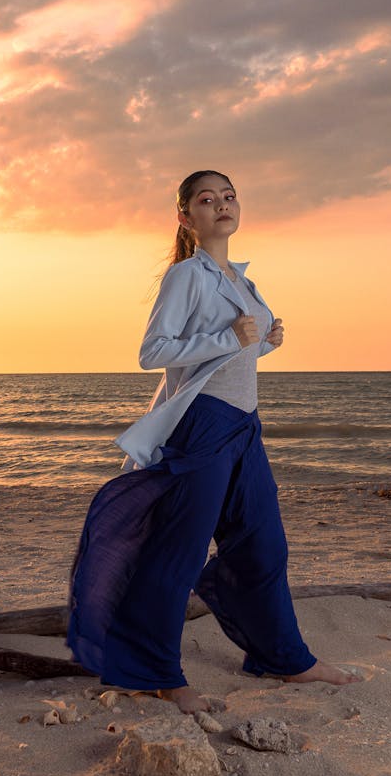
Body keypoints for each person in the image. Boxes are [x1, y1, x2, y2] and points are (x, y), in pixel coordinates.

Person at [67, 170, 361, 712]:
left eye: (229, 196)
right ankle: (157, 673)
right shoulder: (187, 275)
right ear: (186, 217)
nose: (221, 205)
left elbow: (233, 356)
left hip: (245, 425)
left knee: (263, 545)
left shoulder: (242, 280)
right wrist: (229, 336)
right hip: (202, 424)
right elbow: (153, 351)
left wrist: (266, 343)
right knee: (177, 553)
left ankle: (283, 657)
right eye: (207, 199)